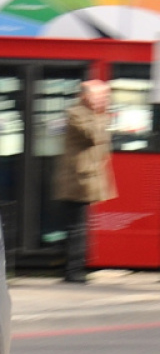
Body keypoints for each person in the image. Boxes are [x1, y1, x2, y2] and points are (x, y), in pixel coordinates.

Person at [53, 79, 117, 284]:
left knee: (80, 226)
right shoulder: (76, 113)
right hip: (77, 179)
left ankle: (75, 268)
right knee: (76, 227)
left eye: (104, 96)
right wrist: (102, 115)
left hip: (86, 177)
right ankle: (72, 271)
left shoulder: (91, 115)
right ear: (85, 96)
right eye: (99, 96)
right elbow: (93, 136)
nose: (103, 100)